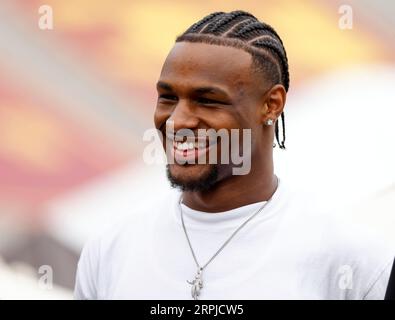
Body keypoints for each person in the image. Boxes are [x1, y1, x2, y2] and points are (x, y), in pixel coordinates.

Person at [74, 10, 393, 300]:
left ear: (271, 105)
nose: (177, 121)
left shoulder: (351, 259)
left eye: (208, 100)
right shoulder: (111, 249)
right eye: (168, 97)